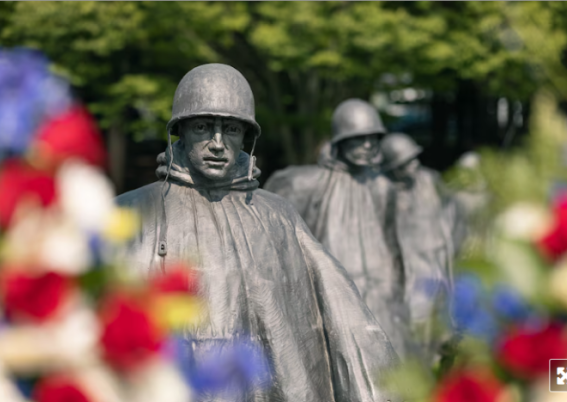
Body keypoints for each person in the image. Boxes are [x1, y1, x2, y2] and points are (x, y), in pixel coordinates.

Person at [116, 64, 400, 402]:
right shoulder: (134, 212)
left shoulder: (278, 215)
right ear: (181, 131)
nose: (218, 144)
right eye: (204, 127)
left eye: (232, 129)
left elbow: (348, 320)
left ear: (246, 138)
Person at [264, 99, 411, 359]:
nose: (367, 146)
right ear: (340, 141)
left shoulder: (383, 187)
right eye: (358, 139)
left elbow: (392, 248)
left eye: (372, 138)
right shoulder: (309, 184)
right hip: (333, 301)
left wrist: (397, 297)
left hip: (381, 299)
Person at [379, 133, 459, 365]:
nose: (414, 166)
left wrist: (447, 239)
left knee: (440, 322)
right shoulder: (385, 191)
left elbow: (450, 209)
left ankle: (434, 368)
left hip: (436, 259)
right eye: (405, 164)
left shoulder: (430, 180)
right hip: (409, 266)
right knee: (415, 319)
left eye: (415, 159)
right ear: (392, 168)